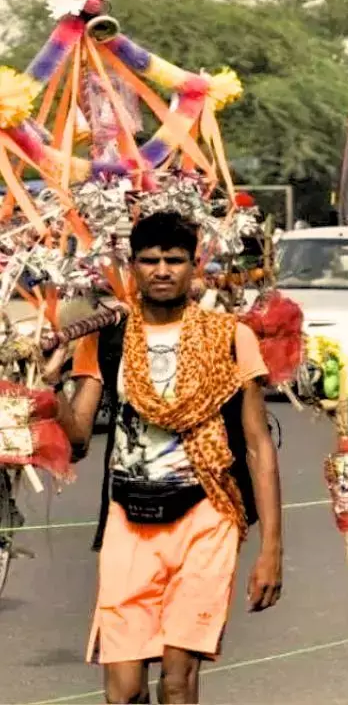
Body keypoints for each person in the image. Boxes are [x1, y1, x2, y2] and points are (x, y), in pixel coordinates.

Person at [45, 211, 283, 704]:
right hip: (128, 521)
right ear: (132, 266)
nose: (161, 271)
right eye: (149, 260)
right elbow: (79, 438)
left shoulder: (229, 336)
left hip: (205, 514)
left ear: (193, 266)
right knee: (125, 690)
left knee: (177, 681)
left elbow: (258, 443)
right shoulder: (108, 336)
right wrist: (51, 390)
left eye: (174, 260)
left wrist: (272, 551)